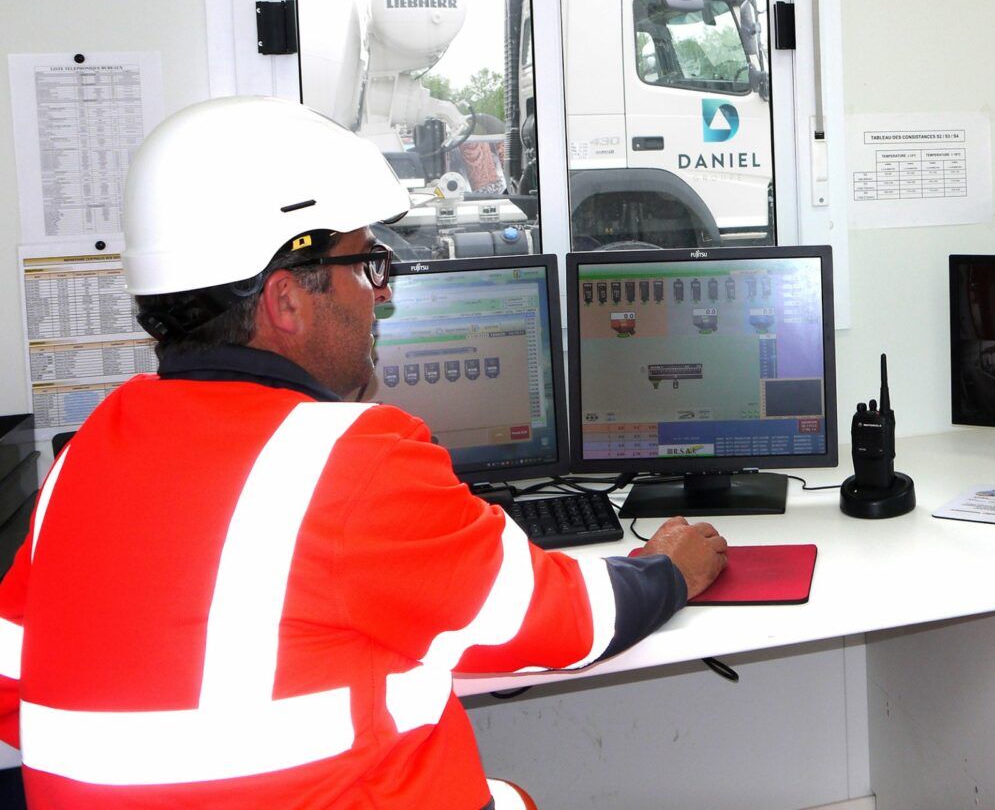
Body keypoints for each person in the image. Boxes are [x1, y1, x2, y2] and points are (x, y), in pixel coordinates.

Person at [0, 96, 727, 809]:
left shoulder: (86, 455)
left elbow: (14, 694)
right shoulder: (349, 458)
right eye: (367, 266)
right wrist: (668, 571)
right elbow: (557, 622)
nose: (378, 298)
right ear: (287, 302)